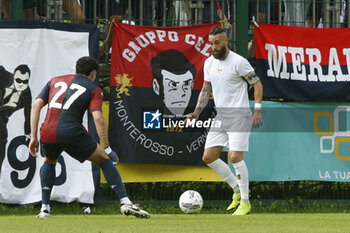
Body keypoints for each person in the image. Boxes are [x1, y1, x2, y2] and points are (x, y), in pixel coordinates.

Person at [28, 56, 150, 219]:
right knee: (104, 159)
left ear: (77, 69)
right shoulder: (93, 89)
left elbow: (36, 105)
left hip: (47, 132)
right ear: (93, 74)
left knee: (50, 161)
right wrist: (107, 148)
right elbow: (98, 118)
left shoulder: (54, 81)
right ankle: (125, 202)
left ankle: (44, 209)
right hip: (71, 132)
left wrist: (33, 137)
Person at [186, 26, 263, 216]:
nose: (213, 47)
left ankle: (245, 202)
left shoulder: (239, 62)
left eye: (217, 43)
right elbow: (206, 90)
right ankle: (237, 190)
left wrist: (257, 110)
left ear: (226, 41)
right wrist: (196, 112)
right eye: (211, 43)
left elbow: (257, 83)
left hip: (240, 115)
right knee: (209, 157)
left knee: (235, 157)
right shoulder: (208, 63)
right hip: (221, 117)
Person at [0, 65, 32, 176]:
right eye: (18, 80)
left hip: (2, 121)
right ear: (14, 77)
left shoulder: (27, 93)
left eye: (25, 81)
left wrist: (28, 133)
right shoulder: (5, 76)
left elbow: (28, 115)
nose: (21, 84)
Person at [150, 49, 196, 116]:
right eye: (173, 85)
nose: (182, 93)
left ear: (192, 86)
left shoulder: (202, 117)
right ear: (156, 87)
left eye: (186, 84)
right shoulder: (149, 118)